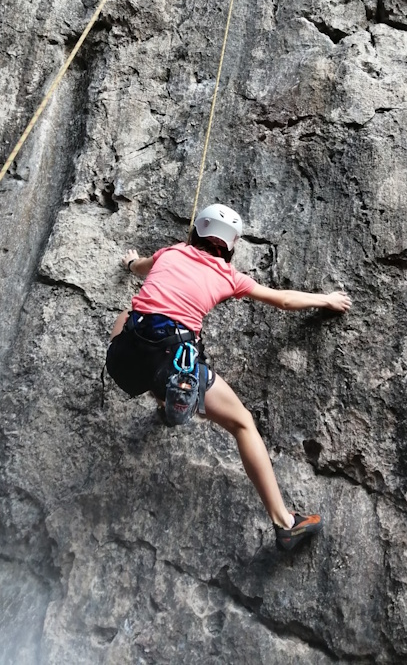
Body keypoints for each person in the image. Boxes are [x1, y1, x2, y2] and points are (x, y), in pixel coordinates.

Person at [104, 203, 352, 551]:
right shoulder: (227, 276)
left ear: (195, 233)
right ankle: (285, 521)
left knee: (131, 312)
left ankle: (164, 400)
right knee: (243, 424)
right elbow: (282, 300)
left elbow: (140, 268)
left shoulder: (171, 252)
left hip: (124, 360)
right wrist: (325, 299)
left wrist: (130, 262)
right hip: (171, 366)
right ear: (231, 247)